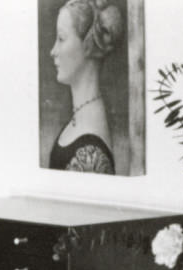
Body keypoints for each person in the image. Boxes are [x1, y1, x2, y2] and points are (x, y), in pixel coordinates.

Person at [48, 1, 124, 174]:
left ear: (88, 45)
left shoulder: (92, 152)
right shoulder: (82, 115)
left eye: (61, 39)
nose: (53, 51)